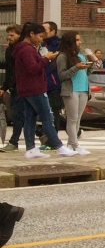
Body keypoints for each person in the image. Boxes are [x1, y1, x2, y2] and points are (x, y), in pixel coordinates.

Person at [13, 23, 74, 158]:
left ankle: (30, 148)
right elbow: (33, 68)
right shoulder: (27, 49)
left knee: (30, 118)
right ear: (31, 34)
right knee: (47, 117)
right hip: (35, 88)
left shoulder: (22, 48)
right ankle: (59, 146)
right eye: (40, 36)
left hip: (26, 88)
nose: (41, 39)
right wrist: (46, 59)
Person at [56, 30, 93, 155]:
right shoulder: (62, 56)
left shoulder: (80, 54)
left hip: (83, 89)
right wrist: (76, 67)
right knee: (72, 119)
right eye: (77, 40)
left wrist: (91, 63)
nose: (80, 42)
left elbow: (86, 73)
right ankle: (76, 145)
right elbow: (62, 75)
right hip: (71, 90)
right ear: (70, 41)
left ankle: (71, 144)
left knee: (78, 119)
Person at [2, 23, 23, 151]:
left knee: (20, 114)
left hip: (24, 85)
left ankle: (14, 141)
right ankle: (14, 141)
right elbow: (9, 70)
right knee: (17, 114)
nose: (9, 37)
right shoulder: (9, 49)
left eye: (12, 35)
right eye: (8, 35)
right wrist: (4, 87)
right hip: (15, 87)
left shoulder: (22, 48)